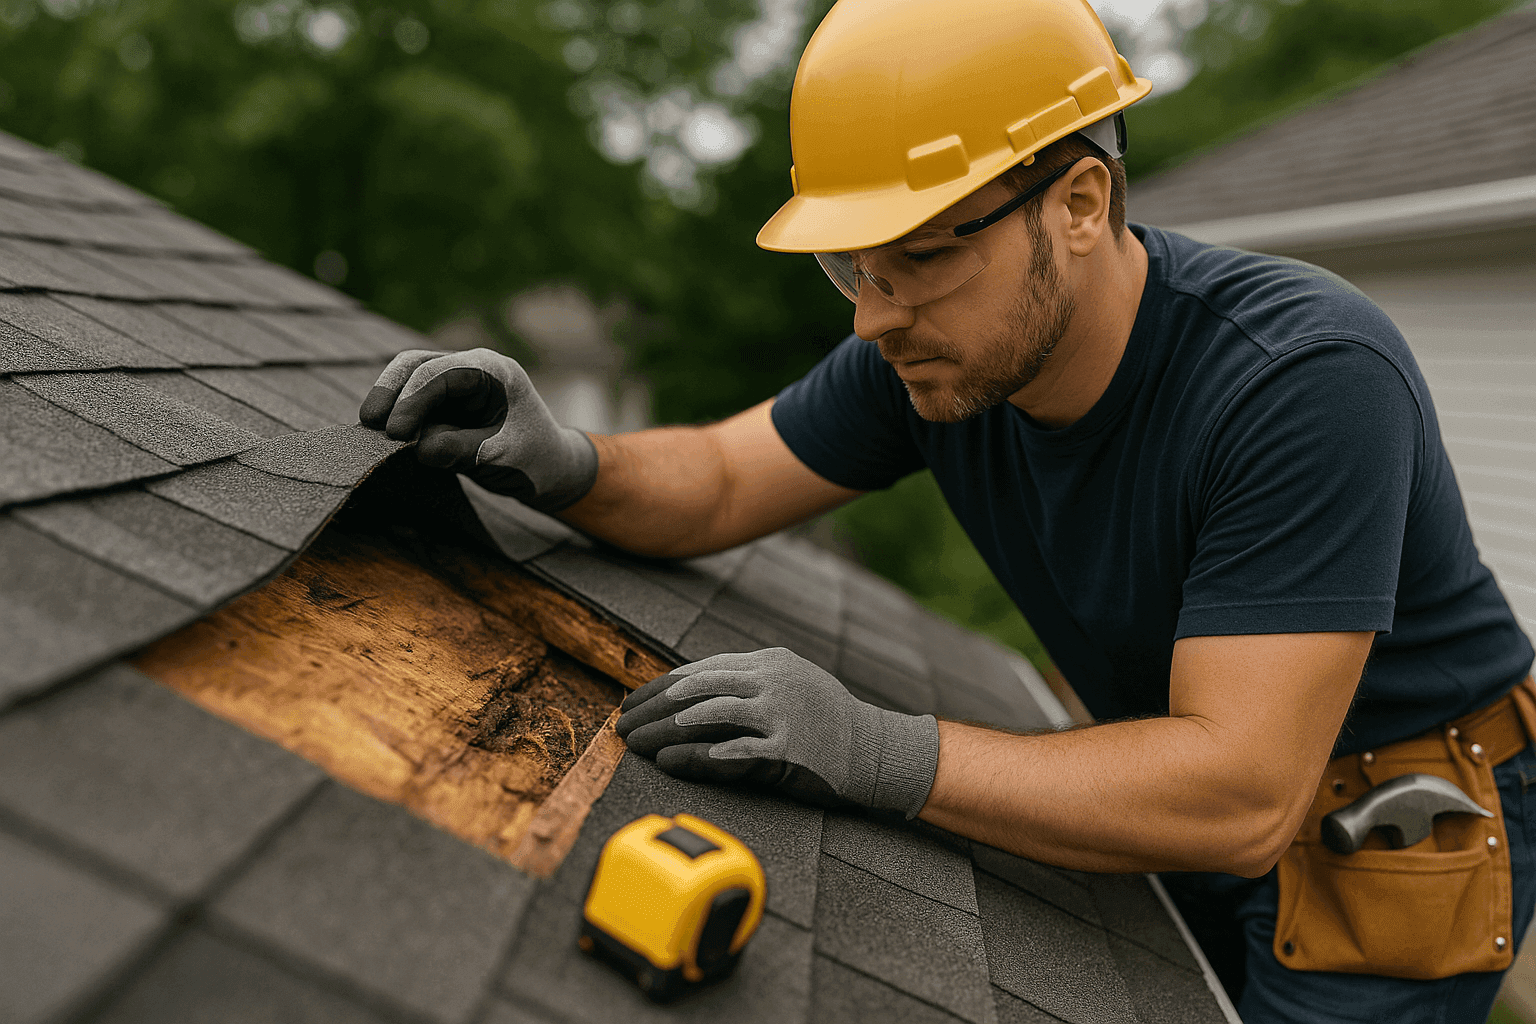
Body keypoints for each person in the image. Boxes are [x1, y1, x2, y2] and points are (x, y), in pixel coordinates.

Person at [359, 0, 1536, 1018]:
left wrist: (869, 745)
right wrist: (561, 458)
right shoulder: (933, 356)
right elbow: (721, 478)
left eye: (917, 257)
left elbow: (1237, 791)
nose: (874, 317)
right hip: (1179, 755)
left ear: (1079, 203)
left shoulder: (1304, 379)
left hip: (1388, 817)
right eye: (851, 269)